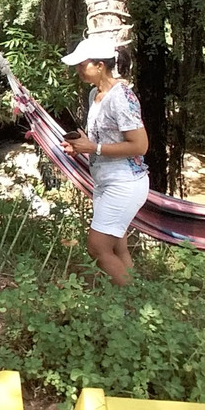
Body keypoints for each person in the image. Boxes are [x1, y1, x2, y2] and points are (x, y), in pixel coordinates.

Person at [60, 37, 150, 285]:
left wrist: (93, 147)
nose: (78, 70)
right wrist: (81, 147)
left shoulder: (121, 97)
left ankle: (133, 299)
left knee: (98, 247)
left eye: (82, 65)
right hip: (105, 181)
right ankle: (131, 299)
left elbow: (140, 146)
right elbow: (103, 139)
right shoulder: (95, 94)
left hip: (125, 182)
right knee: (117, 247)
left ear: (100, 65)